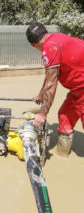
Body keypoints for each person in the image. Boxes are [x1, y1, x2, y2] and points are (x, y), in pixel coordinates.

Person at [26, 22, 84, 158]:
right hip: (78, 90)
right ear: (46, 30)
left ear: (32, 45)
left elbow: (52, 83)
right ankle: (62, 154)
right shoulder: (56, 38)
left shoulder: (50, 47)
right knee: (65, 116)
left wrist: (42, 114)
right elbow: (49, 77)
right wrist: (41, 95)